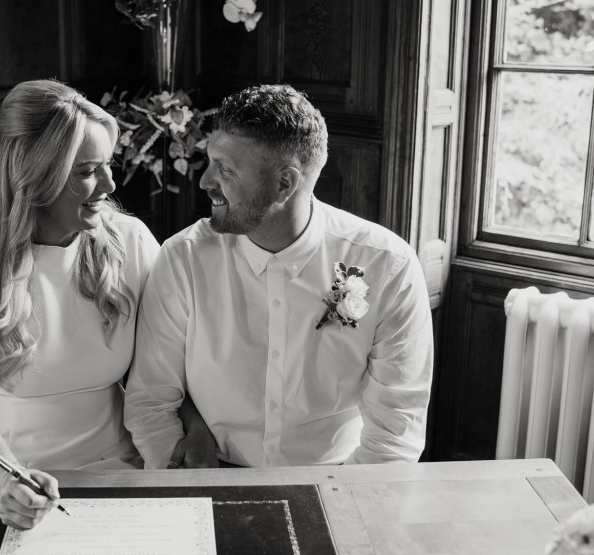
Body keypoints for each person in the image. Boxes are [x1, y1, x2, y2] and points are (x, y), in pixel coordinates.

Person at [124, 84, 433, 469]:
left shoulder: (388, 265)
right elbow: (150, 402)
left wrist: (345, 499)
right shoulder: (183, 259)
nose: (205, 181)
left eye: (225, 169)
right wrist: (189, 482)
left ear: (284, 184)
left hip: (339, 478)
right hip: (210, 475)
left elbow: (395, 430)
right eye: (210, 162)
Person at [0, 79, 160, 528]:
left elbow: (170, 371)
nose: (110, 184)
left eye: (108, 165)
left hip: (116, 464)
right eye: (88, 171)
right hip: (1, 471)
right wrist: (10, 480)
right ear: (35, 178)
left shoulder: (132, 242)